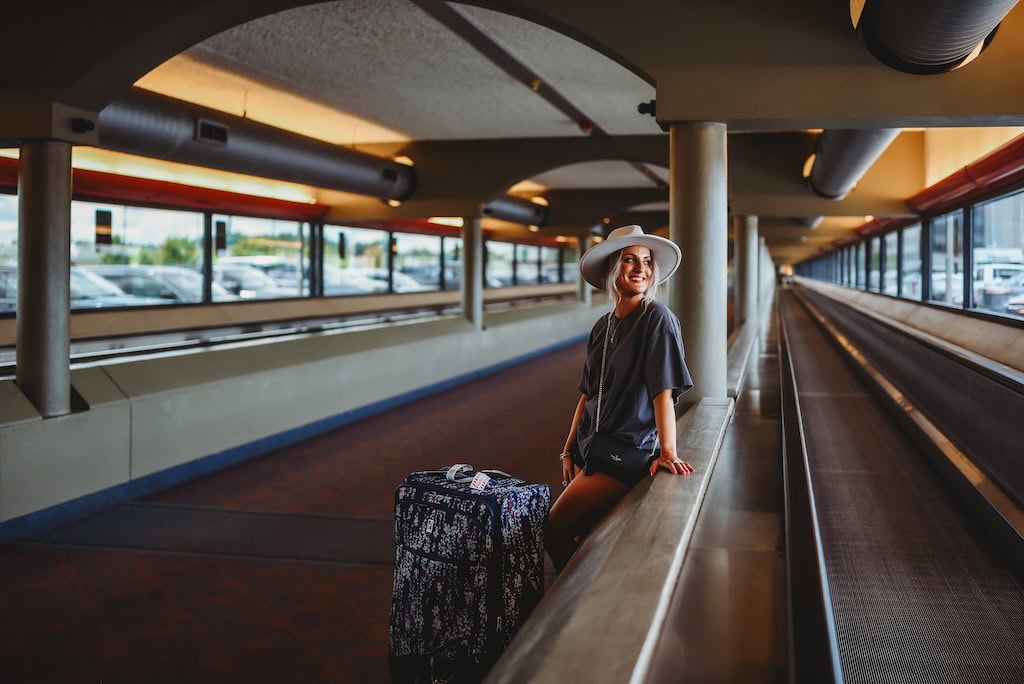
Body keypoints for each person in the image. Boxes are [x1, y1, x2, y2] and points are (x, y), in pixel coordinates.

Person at [546, 224, 694, 573]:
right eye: (630, 260)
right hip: (592, 446)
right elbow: (587, 394)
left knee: (554, 530)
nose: (641, 268)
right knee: (588, 533)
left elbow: (663, 390)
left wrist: (668, 453)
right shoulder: (604, 325)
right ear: (614, 268)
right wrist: (570, 449)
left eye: (646, 261)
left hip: (624, 449)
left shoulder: (656, 318)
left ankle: (575, 604)